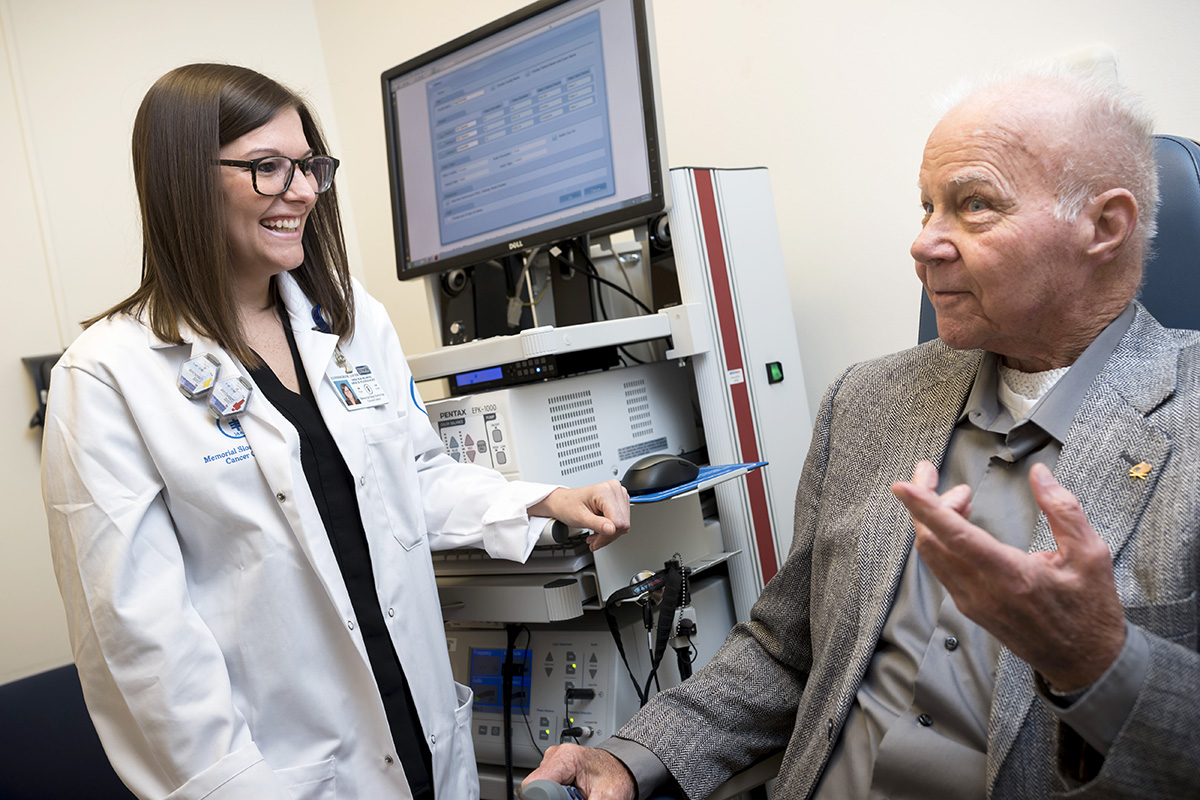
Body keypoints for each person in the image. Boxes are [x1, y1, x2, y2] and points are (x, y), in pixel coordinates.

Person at [526, 66, 1200, 799]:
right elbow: (785, 650)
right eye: (926, 208)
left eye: (974, 205)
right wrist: (630, 756)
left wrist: (1102, 661)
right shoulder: (866, 400)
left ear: (1105, 227)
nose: (924, 244)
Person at [41, 63, 630, 800]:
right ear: (184, 180)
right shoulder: (107, 376)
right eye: (267, 168)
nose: (303, 190)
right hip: (281, 777)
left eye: (309, 166)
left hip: (420, 743)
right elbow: (138, 643)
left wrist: (539, 501)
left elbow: (409, 478)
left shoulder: (350, 319)